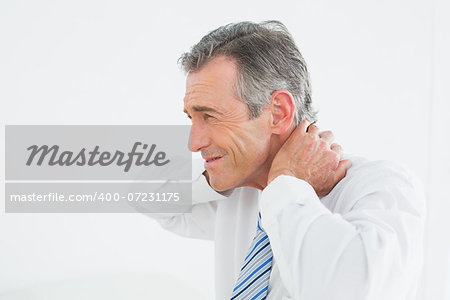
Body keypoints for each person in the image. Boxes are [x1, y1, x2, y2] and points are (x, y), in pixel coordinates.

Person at [150, 21, 426, 300]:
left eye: (210, 116)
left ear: (279, 112)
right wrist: (232, 176)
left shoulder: (383, 186)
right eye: (191, 118)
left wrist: (285, 185)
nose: (194, 143)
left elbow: (345, 289)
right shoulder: (238, 191)